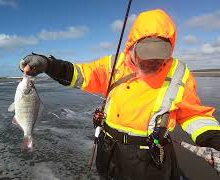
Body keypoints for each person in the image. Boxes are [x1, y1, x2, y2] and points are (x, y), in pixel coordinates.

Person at [19, 9, 220, 180]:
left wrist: (214, 140)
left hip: (149, 160)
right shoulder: (113, 64)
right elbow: (81, 74)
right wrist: (49, 64)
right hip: (108, 151)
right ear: (132, 46)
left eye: (159, 56)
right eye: (146, 55)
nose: (152, 62)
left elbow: (194, 114)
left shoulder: (178, 73)